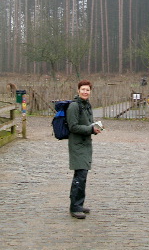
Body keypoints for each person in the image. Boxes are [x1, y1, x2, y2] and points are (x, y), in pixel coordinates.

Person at [66, 79, 102, 219]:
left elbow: (87, 123)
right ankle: (75, 207)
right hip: (77, 145)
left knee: (82, 176)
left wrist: (95, 128)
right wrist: (90, 129)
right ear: (78, 90)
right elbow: (73, 127)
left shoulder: (87, 105)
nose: (85, 92)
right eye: (83, 89)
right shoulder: (74, 106)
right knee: (79, 177)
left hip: (86, 144)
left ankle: (78, 204)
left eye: (87, 90)